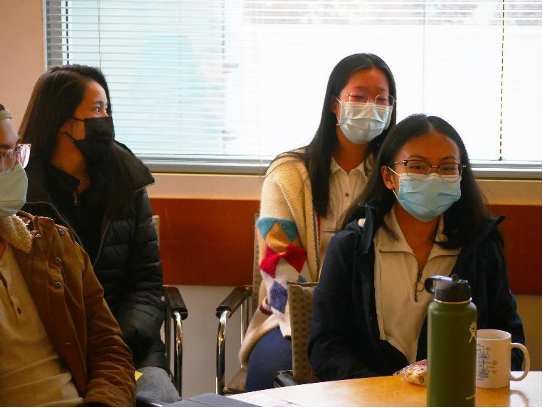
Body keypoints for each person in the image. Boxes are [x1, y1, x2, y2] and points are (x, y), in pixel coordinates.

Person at [308, 114, 526, 381]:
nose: (433, 177)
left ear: (460, 176)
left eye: (447, 168)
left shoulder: (481, 247)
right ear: (388, 177)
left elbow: (510, 342)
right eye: (418, 166)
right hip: (370, 399)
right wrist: (385, 393)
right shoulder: (351, 248)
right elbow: (326, 348)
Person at [18, 65, 180, 403]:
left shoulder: (127, 180)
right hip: (54, 352)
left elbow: (147, 285)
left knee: (158, 398)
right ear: (63, 122)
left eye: (107, 109)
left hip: (130, 347)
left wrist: (114, 343)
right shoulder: (20, 190)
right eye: (96, 110)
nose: (105, 118)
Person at [240, 53, 398, 391]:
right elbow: (277, 266)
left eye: (381, 99)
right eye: (359, 96)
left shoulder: (395, 177)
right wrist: (305, 324)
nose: (371, 106)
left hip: (374, 323)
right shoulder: (289, 174)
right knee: (273, 371)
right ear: (334, 104)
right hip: (294, 321)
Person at [0, 104, 136, 406]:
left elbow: (109, 350)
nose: (13, 167)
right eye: (0, 154)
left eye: (15, 152)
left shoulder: (53, 245)